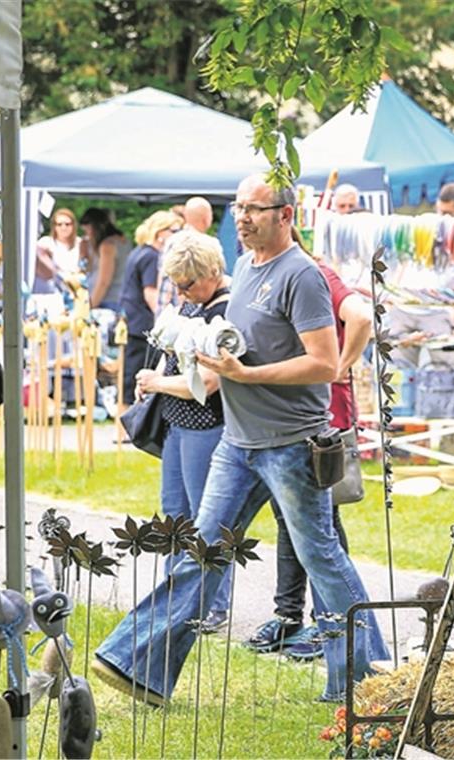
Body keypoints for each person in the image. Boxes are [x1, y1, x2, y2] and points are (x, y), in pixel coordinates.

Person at [93, 174, 387, 705]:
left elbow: (323, 364)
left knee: (320, 556)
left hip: (293, 444)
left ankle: (366, 682)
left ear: (286, 215)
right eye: (240, 207)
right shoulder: (247, 269)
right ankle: (139, 665)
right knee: (202, 553)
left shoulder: (301, 274)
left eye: (255, 209)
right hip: (239, 440)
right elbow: (237, 355)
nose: (243, 217)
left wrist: (247, 376)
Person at [94, 231, 232, 703]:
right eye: (177, 284)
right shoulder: (192, 304)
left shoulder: (224, 310)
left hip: (205, 427)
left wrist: (158, 381)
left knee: (206, 520)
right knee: (174, 516)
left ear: (211, 273)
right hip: (177, 427)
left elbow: (209, 383)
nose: (182, 292)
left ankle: (211, 604)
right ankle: (176, 601)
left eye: (188, 284)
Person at [239, 257, 373, 656]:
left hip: (321, 415)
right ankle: (290, 616)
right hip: (290, 416)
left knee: (322, 521)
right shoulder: (264, 271)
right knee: (291, 519)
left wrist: (340, 366)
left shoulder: (311, 273)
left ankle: (329, 623)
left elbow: (362, 317)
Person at [119, 211, 180, 410]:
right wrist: (165, 322)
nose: (177, 234)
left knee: (129, 374)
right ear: (160, 232)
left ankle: (123, 426)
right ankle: (131, 424)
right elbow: (151, 292)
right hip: (144, 325)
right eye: (174, 230)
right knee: (138, 376)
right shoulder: (152, 257)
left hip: (132, 321)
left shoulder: (139, 251)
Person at [79, 208, 126, 311]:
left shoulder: (107, 245)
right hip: (120, 299)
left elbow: (104, 282)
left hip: (108, 301)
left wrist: (90, 306)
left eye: (87, 230)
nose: (87, 235)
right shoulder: (123, 240)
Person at [35, 208, 82, 295]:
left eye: (67, 224)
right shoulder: (45, 242)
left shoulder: (81, 243)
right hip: (51, 291)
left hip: (75, 288)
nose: (63, 227)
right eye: (59, 224)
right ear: (54, 226)